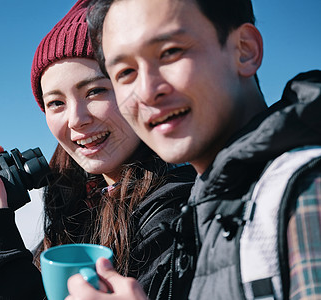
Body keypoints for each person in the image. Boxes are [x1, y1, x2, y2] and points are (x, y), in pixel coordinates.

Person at [66, 0, 321, 299]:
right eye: (125, 73)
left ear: (245, 49)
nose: (148, 91)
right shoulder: (208, 206)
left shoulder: (305, 189)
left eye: (170, 53)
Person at [0, 0, 196, 299]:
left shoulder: (174, 209)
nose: (76, 119)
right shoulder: (78, 205)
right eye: (56, 103)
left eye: (95, 91)